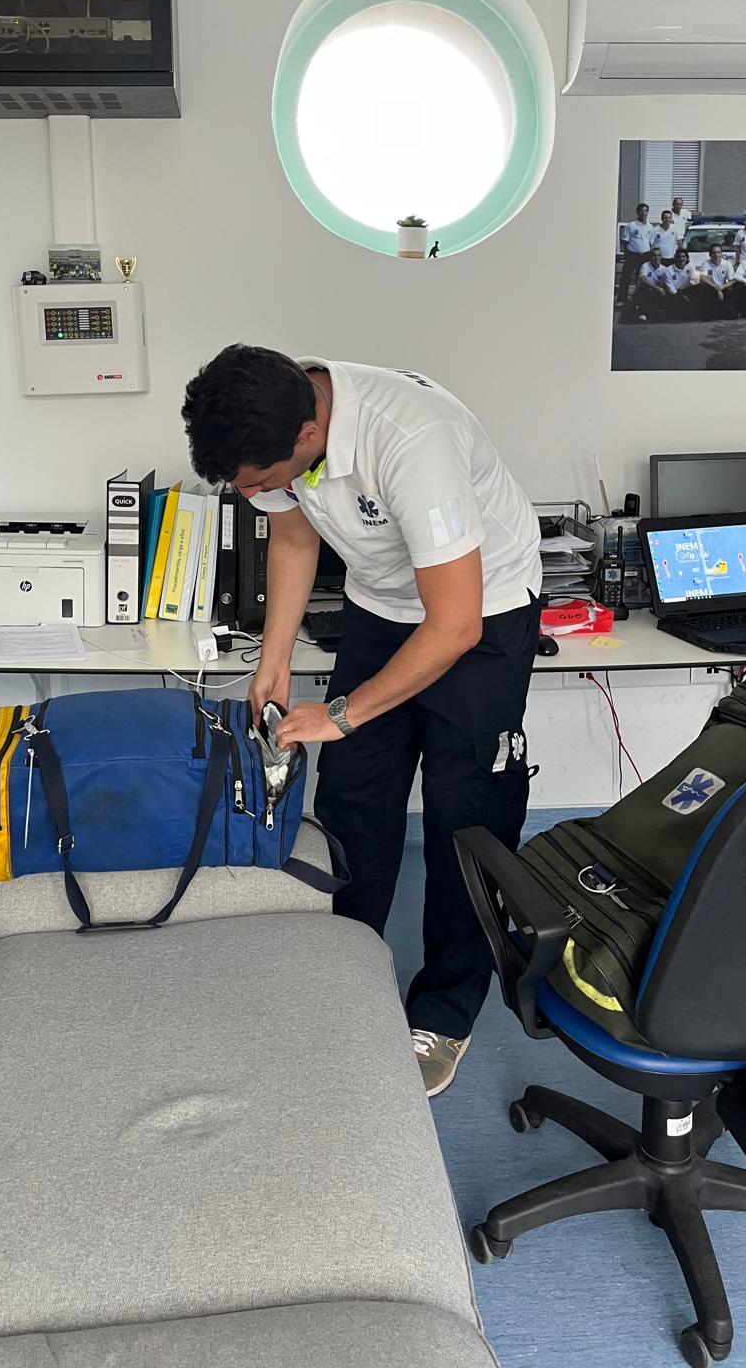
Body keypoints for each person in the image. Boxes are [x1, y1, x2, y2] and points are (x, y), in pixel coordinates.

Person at [181, 347, 543, 1099]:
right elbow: (294, 535)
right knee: (352, 793)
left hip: (482, 611)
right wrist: (274, 660)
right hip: (381, 603)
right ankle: (347, 972)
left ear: (310, 435)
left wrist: (343, 713)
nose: (255, 494)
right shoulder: (272, 422)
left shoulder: (412, 441)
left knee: (464, 812)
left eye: (260, 482)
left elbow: (454, 625)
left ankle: (444, 1009)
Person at [618, 203, 654, 304]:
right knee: (626, 277)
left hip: (645, 256)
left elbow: (650, 243)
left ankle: (639, 300)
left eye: (646, 211)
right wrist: (627, 254)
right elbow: (624, 242)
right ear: (638, 212)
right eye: (641, 211)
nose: (644, 213)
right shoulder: (631, 226)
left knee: (642, 278)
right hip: (632, 255)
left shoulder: (650, 227)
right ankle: (621, 299)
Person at [694, 242, 737, 315]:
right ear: (710, 254)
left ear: (721, 253)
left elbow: (732, 281)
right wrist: (716, 287)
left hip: (723, 289)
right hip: (711, 289)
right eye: (714, 253)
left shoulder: (727, 264)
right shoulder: (706, 263)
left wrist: (721, 288)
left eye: (718, 252)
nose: (716, 255)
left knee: (732, 315)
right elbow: (702, 277)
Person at [630, 252, 669, 320]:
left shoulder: (664, 269)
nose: (657, 257)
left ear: (661, 257)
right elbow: (643, 279)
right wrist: (657, 288)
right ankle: (641, 312)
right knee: (644, 288)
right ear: (650, 257)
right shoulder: (645, 265)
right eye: (654, 255)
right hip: (643, 291)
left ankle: (653, 309)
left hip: (654, 292)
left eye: (659, 255)